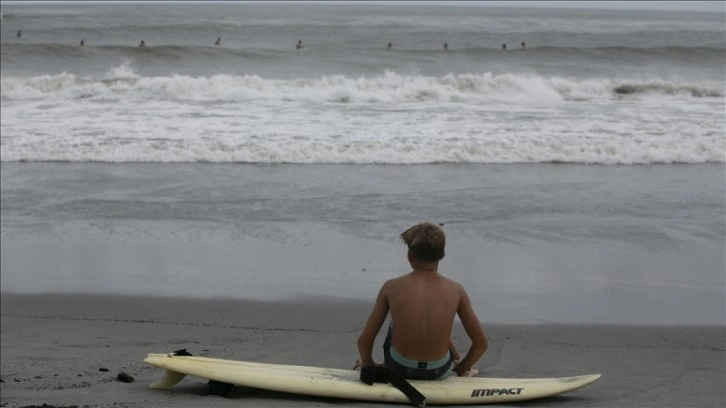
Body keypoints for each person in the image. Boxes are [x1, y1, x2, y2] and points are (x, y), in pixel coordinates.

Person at [356, 222, 488, 380]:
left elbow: (364, 341)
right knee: (438, 323)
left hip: (399, 368)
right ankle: (463, 368)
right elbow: (481, 344)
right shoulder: (456, 290)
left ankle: (384, 364)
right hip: (438, 370)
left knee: (397, 322)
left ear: (409, 255)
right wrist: (461, 369)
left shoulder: (391, 287)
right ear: (442, 255)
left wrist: (370, 365)